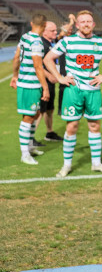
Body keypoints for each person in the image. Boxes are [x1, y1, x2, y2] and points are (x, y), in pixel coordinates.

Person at [43, 10, 102, 177]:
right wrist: (59, 78)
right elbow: (47, 58)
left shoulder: (101, 43)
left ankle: (96, 164)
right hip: (74, 90)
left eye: (89, 21)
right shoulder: (68, 41)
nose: (86, 24)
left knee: (94, 126)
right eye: (83, 22)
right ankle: (66, 165)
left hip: (93, 90)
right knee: (72, 126)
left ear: (93, 24)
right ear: (78, 25)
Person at [10, 14, 50, 165]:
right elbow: (38, 66)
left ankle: (30, 146)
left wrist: (15, 75)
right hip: (30, 85)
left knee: (35, 113)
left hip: (26, 82)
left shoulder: (25, 36)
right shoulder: (36, 42)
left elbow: (16, 57)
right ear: (44, 25)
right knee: (28, 117)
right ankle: (25, 154)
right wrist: (45, 87)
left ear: (32, 23)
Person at [34, 21, 64, 143]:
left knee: (49, 109)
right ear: (44, 31)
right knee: (40, 111)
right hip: (43, 82)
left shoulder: (50, 43)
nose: (55, 32)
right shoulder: (41, 44)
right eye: (53, 30)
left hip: (50, 83)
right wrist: (49, 75)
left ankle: (49, 132)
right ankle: (31, 138)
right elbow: (36, 63)